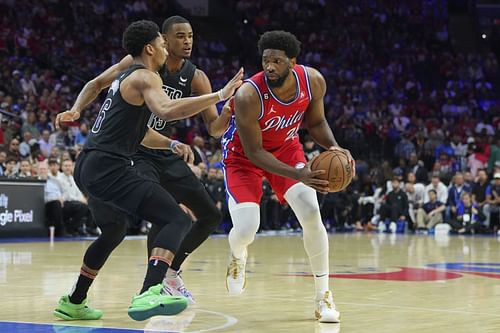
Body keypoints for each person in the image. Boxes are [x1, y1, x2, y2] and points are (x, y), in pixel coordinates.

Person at [53, 20, 243, 321]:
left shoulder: (128, 77)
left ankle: (74, 301)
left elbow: (140, 131)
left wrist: (170, 144)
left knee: (114, 231)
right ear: (151, 47)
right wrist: (219, 95)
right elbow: (167, 111)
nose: (169, 47)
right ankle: (148, 293)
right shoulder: (146, 77)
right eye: (165, 42)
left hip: (88, 164)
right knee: (176, 218)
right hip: (109, 167)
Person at [222, 30, 354, 323]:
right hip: (243, 158)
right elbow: (255, 153)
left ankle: (323, 296)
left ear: (292, 62)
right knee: (247, 228)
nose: (269, 66)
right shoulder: (247, 94)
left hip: (285, 149)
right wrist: (300, 173)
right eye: (266, 60)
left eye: (277, 61)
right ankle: (237, 255)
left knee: (311, 215)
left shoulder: (313, 81)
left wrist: (334, 147)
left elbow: (317, 121)